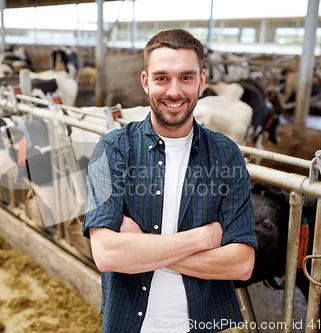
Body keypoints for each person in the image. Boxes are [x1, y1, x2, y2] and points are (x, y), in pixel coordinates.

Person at [82, 29, 257, 333]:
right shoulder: (112, 149)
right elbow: (108, 255)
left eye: (186, 78)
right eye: (162, 78)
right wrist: (203, 239)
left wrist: (141, 248)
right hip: (130, 322)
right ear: (146, 81)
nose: (174, 91)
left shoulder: (226, 154)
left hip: (204, 324)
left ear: (202, 80)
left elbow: (241, 265)